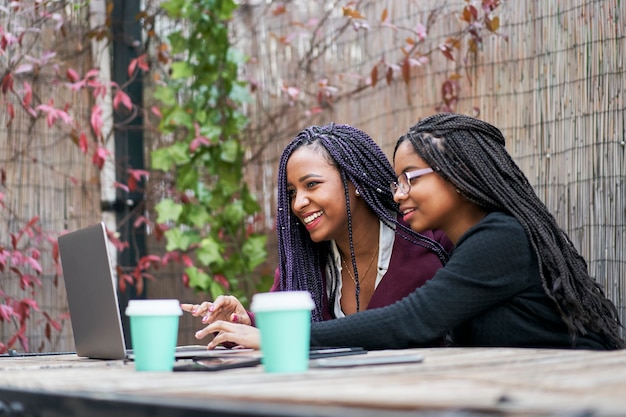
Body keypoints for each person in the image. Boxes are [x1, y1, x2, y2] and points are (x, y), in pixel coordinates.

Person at [203, 113, 624, 351]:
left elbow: (413, 320)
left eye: (409, 178)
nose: (397, 192)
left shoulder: (499, 239)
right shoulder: (472, 245)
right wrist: (252, 324)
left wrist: (278, 338)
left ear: (457, 175)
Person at [183, 123, 452, 340]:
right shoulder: (302, 263)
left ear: (355, 181)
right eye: (292, 193)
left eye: (311, 185)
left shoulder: (429, 240)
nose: (298, 203)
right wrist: (243, 321)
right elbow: (275, 330)